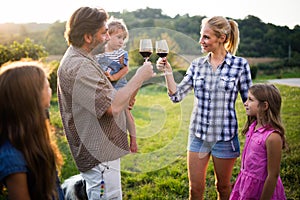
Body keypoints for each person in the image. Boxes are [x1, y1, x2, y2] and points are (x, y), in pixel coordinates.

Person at [57, 7, 154, 199]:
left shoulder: (84, 58)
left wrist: (126, 95)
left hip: (102, 150)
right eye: (104, 33)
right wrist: (140, 77)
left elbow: (107, 94)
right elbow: (112, 107)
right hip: (98, 152)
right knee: (107, 196)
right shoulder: (79, 65)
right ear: (87, 37)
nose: (107, 38)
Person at [157, 16, 252, 199]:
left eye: (206, 37)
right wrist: (167, 72)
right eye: (201, 36)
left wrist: (258, 133)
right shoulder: (197, 65)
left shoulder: (240, 65)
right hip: (198, 136)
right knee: (195, 189)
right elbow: (176, 96)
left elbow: (250, 102)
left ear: (222, 38)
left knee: (223, 187)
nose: (201, 41)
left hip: (225, 137)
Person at [0, 61, 64, 200]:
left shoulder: (36, 135)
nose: (50, 90)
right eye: (46, 87)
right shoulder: (12, 156)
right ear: (31, 98)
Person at [230, 83, 286, 200]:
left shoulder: (272, 137)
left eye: (250, 100)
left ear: (264, 106)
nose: (245, 103)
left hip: (262, 191)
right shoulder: (253, 126)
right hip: (246, 186)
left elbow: (273, 175)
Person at [97, 18, 138, 153]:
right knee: (108, 115)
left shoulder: (121, 53)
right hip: (107, 88)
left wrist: (113, 77)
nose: (121, 41)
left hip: (120, 86)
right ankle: (110, 139)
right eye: (119, 37)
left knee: (126, 113)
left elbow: (125, 69)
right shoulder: (100, 54)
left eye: (123, 38)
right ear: (108, 36)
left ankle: (133, 141)